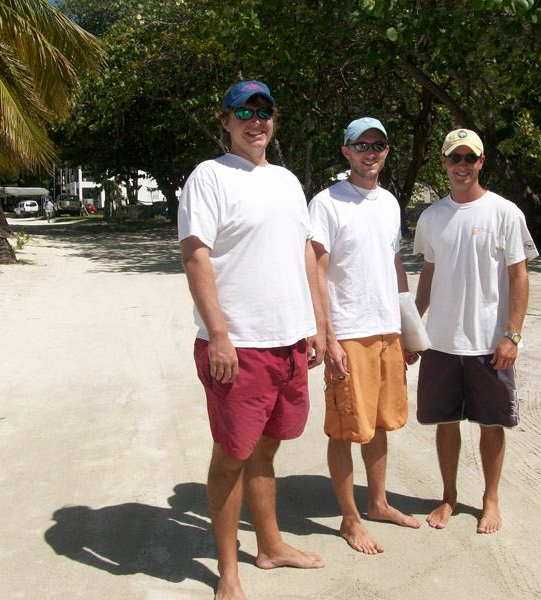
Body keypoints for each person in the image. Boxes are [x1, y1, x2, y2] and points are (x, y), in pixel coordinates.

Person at [178, 80, 326, 600]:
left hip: (287, 342)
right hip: (237, 348)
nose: (256, 121)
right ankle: (228, 572)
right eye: (244, 112)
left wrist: (315, 324)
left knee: (266, 449)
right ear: (225, 121)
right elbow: (195, 255)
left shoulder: (286, 180)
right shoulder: (209, 176)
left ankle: (270, 546)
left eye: (264, 111)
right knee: (232, 456)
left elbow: (304, 252)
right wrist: (218, 335)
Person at [413, 128, 538, 534]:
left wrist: (512, 335)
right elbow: (428, 273)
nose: (462, 165)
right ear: (444, 162)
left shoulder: (505, 213)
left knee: (491, 423)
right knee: (445, 422)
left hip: (490, 343)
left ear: (482, 162)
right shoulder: (431, 217)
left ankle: (490, 499)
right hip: (441, 342)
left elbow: (518, 276)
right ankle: (448, 496)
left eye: (470, 157)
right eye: (455, 157)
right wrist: (413, 327)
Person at [308, 117, 421, 555]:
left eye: (378, 145)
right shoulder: (326, 203)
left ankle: (378, 503)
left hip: (387, 330)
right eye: (361, 145)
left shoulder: (390, 203)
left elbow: (394, 266)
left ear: (387, 151)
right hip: (349, 333)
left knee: (379, 423)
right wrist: (328, 336)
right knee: (344, 429)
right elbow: (317, 271)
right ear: (346, 151)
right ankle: (350, 520)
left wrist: (409, 328)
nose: (370, 152)